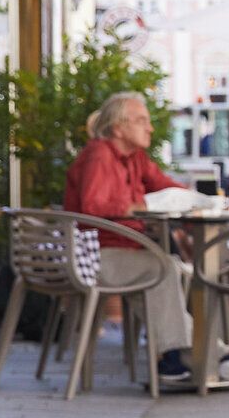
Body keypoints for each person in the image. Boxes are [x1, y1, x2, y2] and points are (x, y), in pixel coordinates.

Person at [63, 93, 197, 385]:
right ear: (119, 127)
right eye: (141, 121)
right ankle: (184, 355)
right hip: (94, 255)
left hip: (124, 250)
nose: (149, 128)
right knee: (163, 268)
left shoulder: (135, 157)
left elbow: (166, 187)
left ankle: (189, 353)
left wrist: (201, 201)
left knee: (164, 265)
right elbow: (93, 206)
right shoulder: (100, 153)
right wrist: (135, 205)